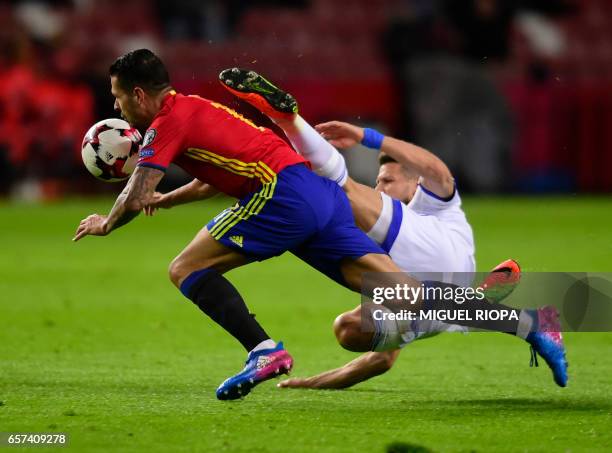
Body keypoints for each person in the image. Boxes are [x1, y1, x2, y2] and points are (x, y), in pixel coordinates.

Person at [217, 68, 568, 388]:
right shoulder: (378, 253)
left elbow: (436, 168)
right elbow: (380, 361)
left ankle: (288, 119)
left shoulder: (433, 202)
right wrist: (311, 384)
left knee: (340, 190)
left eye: (388, 180)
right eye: (380, 181)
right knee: (348, 329)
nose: (381, 188)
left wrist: (367, 137)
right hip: (429, 292)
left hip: (437, 254)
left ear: (414, 184)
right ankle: (480, 307)